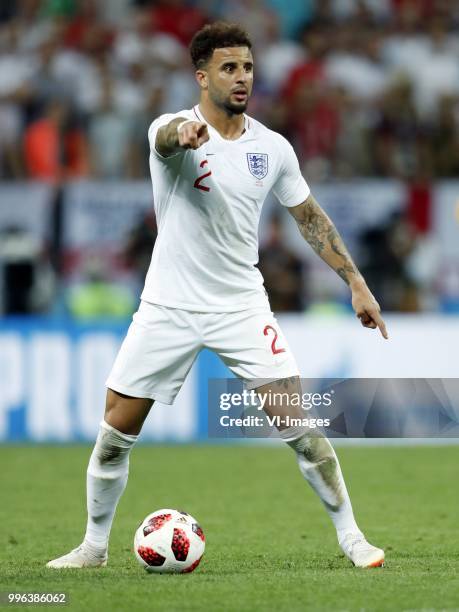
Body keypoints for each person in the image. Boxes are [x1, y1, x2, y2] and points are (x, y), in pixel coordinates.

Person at [47, 22, 388, 571]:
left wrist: (356, 281)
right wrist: (184, 136)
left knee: (300, 428)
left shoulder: (272, 148)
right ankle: (93, 547)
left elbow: (309, 219)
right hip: (169, 306)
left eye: (248, 67)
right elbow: (166, 138)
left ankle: (353, 538)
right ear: (201, 75)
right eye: (229, 68)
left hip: (241, 306)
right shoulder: (170, 130)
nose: (242, 77)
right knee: (115, 433)